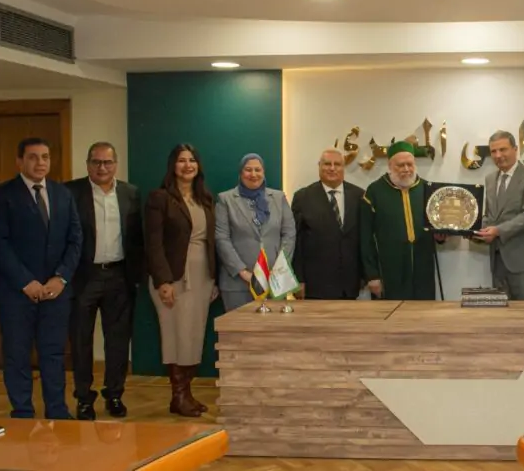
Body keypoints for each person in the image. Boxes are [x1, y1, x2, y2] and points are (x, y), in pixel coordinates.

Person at [0, 137, 82, 419]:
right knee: (17, 354)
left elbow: (75, 240)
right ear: (19, 161)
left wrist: (61, 278)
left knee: (54, 353)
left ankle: (57, 410)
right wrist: (25, 282)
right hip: (16, 293)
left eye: (45, 157)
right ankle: (22, 411)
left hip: (55, 292)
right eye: (33, 157)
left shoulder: (62, 194)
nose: (40, 162)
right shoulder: (2, 195)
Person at [64, 141, 143, 420]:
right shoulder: (71, 192)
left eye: (107, 162)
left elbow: (136, 238)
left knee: (118, 341)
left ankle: (115, 394)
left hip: (120, 276)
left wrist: (137, 276)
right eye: (96, 162)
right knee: (81, 340)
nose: (102, 167)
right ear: (88, 164)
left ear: (115, 165)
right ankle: (84, 398)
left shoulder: (130, 193)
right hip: (83, 277)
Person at [145, 143, 219, 418]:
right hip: (173, 279)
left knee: (193, 336)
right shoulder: (160, 198)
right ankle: (178, 395)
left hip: (202, 279)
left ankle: (185, 394)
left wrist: (214, 279)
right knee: (175, 336)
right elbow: (153, 243)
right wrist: (163, 281)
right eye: (181, 160)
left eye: (192, 160)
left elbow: (212, 243)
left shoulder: (205, 199)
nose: (187, 165)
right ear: (172, 166)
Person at [360, 141, 445, 300]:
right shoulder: (374, 192)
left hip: (422, 270)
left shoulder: (428, 189)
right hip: (389, 271)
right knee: (390, 314)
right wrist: (372, 275)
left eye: (409, 164)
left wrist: (440, 236)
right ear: (390, 166)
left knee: (423, 312)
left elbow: (437, 227)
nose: (406, 169)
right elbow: (365, 237)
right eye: (400, 165)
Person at [215, 153, 296, 310]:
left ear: (263, 172)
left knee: (273, 326)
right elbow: (222, 238)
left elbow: (289, 234)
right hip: (238, 284)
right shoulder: (225, 200)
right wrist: (243, 272)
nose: (253, 174)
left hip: (274, 281)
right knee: (239, 326)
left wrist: (279, 268)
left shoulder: (279, 198)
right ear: (240, 173)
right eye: (248, 170)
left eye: (258, 170)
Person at [476, 130, 524, 300]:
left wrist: (497, 231)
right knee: (501, 314)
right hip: (498, 263)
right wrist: (472, 228)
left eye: (503, 149)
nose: (498, 155)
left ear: (515, 149)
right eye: (493, 151)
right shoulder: (490, 179)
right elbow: (489, 216)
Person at [292, 149, 365, 300]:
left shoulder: (359, 195)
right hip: (315, 285)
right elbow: (296, 242)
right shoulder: (303, 197)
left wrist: (366, 275)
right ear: (319, 166)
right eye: (327, 164)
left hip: (351, 284)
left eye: (337, 164)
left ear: (343, 167)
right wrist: (298, 279)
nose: (332, 168)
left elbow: (364, 238)